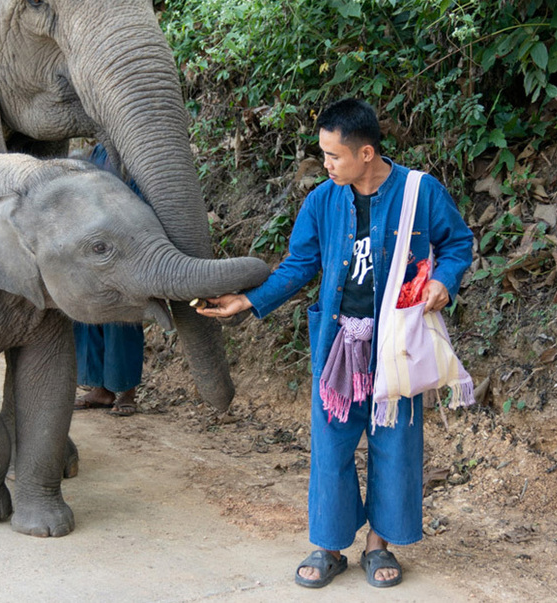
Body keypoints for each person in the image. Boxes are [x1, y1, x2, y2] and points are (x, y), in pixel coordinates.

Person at [197, 99, 474, 589]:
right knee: (331, 444)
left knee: (394, 441)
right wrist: (249, 300)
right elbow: (299, 266)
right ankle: (329, 545)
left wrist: (444, 281)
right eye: (323, 154)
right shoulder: (322, 201)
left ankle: (378, 544)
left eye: (334, 156)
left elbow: (458, 243)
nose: (325, 164)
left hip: (398, 344)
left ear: (366, 153)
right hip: (338, 343)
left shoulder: (419, 192)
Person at [71, 144, 147, 417]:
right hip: (92, 245)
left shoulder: (138, 149)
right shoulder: (98, 152)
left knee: (123, 318)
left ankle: (126, 391)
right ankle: (100, 389)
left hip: (128, 245)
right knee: (88, 316)